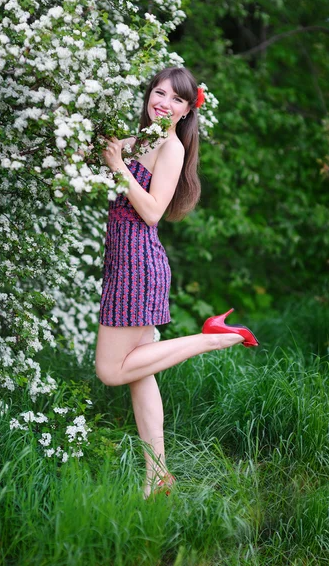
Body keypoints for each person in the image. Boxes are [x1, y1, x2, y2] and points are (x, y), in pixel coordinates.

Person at [95, 66, 259, 498]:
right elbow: (95, 154)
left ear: (186, 111)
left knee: (111, 370)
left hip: (138, 266)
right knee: (139, 374)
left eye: (176, 99)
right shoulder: (137, 142)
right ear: (149, 94)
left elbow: (151, 211)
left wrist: (117, 165)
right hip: (124, 264)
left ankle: (211, 338)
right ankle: (158, 475)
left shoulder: (169, 149)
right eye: (159, 92)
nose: (163, 102)